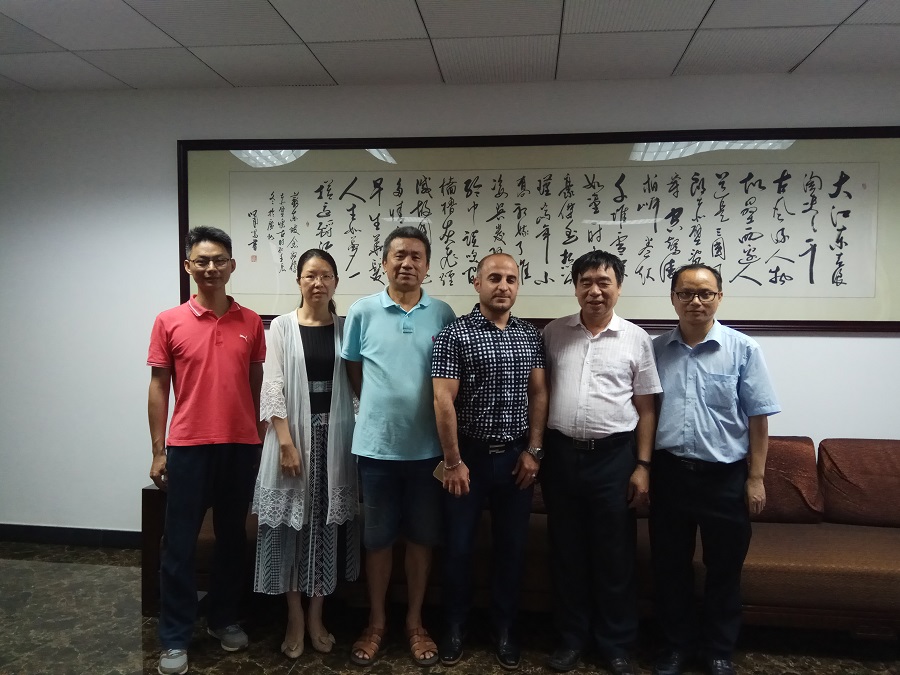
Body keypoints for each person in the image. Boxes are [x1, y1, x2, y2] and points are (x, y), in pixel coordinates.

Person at [650, 264, 780, 675]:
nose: (696, 301)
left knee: (724, 570)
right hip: (670, 474)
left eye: (705, 293)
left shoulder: (743, 349)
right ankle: (676, 647)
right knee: (670, 567)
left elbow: (758, 418)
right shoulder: (655, 350)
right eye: (686, 293)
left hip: (725, 478)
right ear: (673, 299)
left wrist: (756, 478)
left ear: (719, 297)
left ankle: (719, 651)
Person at [147, 226, 266, 675]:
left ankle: (222, 618)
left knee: (233, 539)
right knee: (178, 545)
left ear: (232, 266)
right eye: (202, 261)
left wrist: (257, 437)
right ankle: (175, 637)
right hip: (188, 447)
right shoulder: (168, 321)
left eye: (219, 260)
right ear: (188, 266)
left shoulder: (251, 322)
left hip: (239, 448)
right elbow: (158, 388)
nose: (211, 268)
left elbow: (256, 384)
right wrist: (158, 451)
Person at [541, 250, 661, 675]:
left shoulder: (637, 339)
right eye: (586, 282)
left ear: (619, 288)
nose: (595, 290)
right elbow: (540, 393)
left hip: (614, 458)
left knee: (615, 554)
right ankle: (571, 639)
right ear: (575, 288)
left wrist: (642, 466)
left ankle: (616, 644)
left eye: (604, 282)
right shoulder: (553, 333)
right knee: (567, 551)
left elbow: (646, 408)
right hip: (561, 456)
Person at [341, 226, 456, 667]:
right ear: (384, 262)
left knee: (423, 538)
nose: (407, 263)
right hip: (376, 450)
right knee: (378, 540)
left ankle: (414, 622)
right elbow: (354, 370)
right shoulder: (362, 311)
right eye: (399, 255)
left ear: (427, 266)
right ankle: (376, 622)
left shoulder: (442, 314)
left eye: (416, 256)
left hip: (429, 451)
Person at [431, 253, 548, 670]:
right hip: (468, 460)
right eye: (494, 278)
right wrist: (453, 460)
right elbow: (443, 399)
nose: (503, 286)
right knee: (458, 548)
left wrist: (534, 451)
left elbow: (538, 393)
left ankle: (505, 629)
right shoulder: (454, 334)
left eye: (511, 279)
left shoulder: (530, 335)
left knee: (512, 550)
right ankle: (455, 627)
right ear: (477, 282)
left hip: (516, 459)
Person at [251, 249, 359, 660]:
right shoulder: (281, 327)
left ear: (335, 283)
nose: (318, 283)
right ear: (299, 280)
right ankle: (294, 616)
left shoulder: (346, 328)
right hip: (292, 438)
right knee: (290, 529)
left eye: (326, 276)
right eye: (311, 275)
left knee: (324, 528)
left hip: (336, 441)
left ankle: (317, 615)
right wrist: (285, 443)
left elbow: (357, 387)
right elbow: (272, 386)